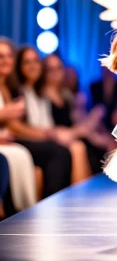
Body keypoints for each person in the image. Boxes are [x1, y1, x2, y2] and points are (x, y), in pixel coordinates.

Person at [0, 38, 72, 198]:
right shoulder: (16, 90)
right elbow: (15, 126)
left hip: (13, 140)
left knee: (68, 149)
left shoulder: (33, 91)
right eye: (1, 57)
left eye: (8, 56)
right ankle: (53, 202)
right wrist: (47, 134)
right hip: (16, 140)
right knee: (58, 151)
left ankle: (62, 200)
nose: (6, 61)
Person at [43, 54, 108, 174]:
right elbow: (47, 128)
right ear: (44, 72)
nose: (56, 73)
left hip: (71, 135)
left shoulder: (66, 95)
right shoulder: (42, 96)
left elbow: (77, 121)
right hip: (57, 138)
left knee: (95, 147)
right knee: (80, 147)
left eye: (59, 68)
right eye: (51, 69)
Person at [90, 67, 117, 131]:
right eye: (105, 67)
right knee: (98, 112)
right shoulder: (94, 86)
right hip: (98, 121)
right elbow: (92, 105)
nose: (107, 70)